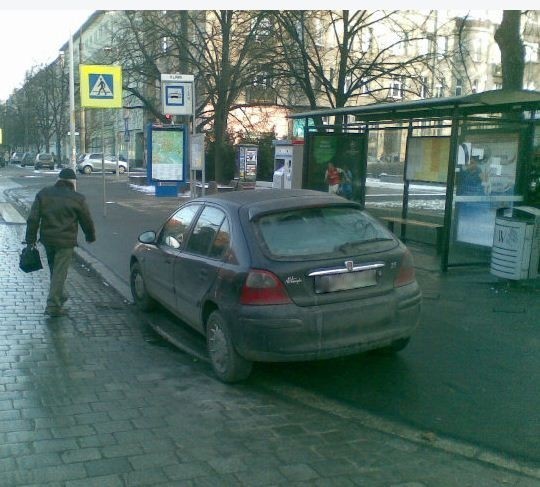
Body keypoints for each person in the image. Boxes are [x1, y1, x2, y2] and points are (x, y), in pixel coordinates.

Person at [25, 168, 96, 317]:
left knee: (55, 270)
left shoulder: (44, 193)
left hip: (48, 240)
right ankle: (53, 305)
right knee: (59, 272)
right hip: (66, 242)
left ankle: (61, 295)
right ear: (73, 183)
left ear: (58, 180)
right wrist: (90, 236)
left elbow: (33, 219)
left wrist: (30, 240)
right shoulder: (77, 199)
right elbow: (86, 220)